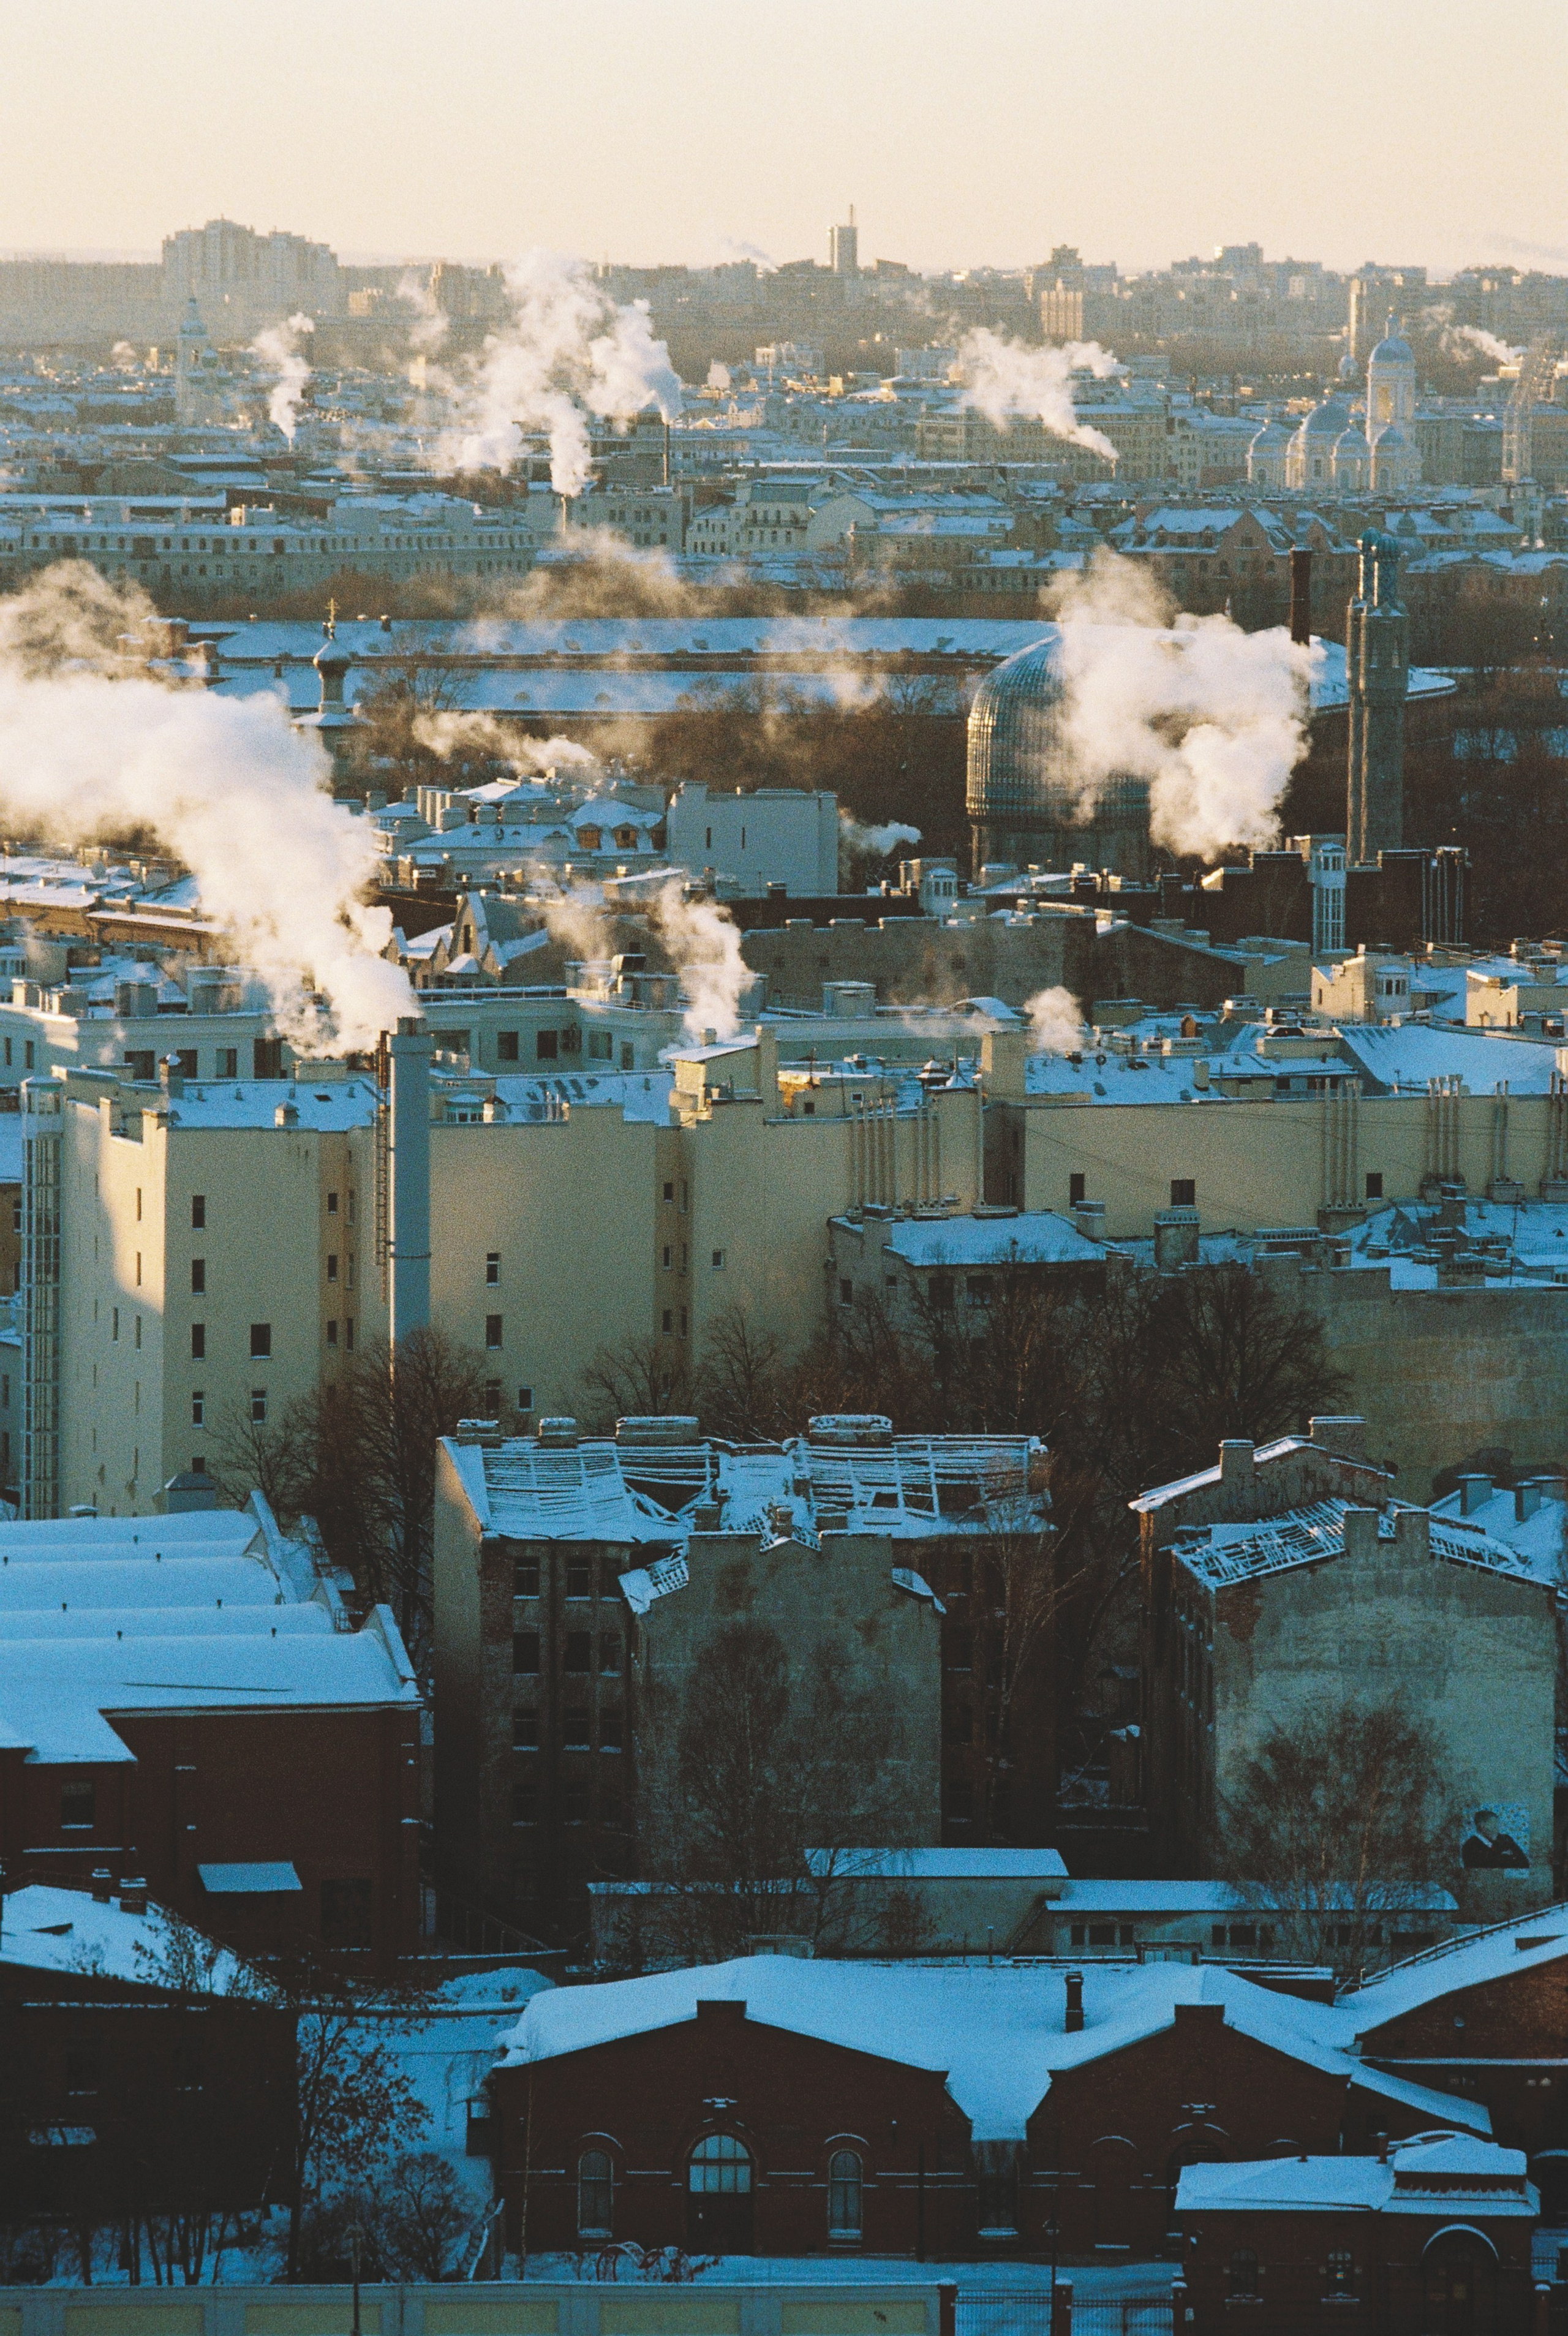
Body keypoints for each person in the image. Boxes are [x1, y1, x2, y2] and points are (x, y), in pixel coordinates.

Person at [1461, 1807, 1528, 1869]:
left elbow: (1525, 1863)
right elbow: (1482, 1868)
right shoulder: (1470, 1846)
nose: (1497, 1828)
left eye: (1497, 1825)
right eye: (1493, 1825)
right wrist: (1506, 1858)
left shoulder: (1506, 1839)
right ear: (1482, 1826)